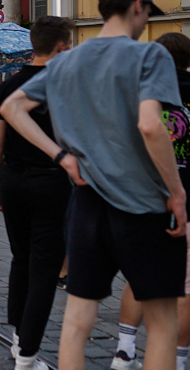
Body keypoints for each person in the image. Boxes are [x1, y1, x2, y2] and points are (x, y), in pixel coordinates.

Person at [1, 0, 187, 370]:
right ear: (138, 7)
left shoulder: (67, 60)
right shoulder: (150, 57)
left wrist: (60, 155)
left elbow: (13, 108)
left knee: (76, 321)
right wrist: (177, 192)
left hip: (85, 203)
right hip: (145, 205)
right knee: (162, 322)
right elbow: (152, 126)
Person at [0, 16, 75, 370]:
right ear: (62, 46)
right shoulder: (67, 84)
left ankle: (17, 336)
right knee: (45, 267)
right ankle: (27, 355)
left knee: (20, 258)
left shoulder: (10, 86)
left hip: (14, 180)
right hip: (53, 181)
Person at [107, 31, 190, 370]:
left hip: (141, 196)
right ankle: (180, 358)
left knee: (139, 275)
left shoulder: (141, 94)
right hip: (184, 196)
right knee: (184, 283)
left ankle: (125, 349)